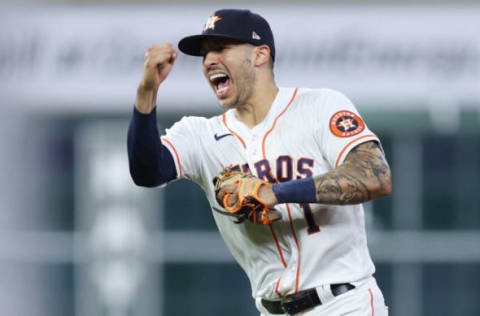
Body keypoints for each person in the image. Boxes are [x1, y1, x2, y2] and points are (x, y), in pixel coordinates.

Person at [128, 8, 392, 316]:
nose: (209, 60)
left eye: (221, 48)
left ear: (260, 55)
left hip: (344, 303)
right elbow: (146, 171)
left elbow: (375, 175)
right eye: (204, 54)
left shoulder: (319, 106)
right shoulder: (201, 135)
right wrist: (147, 91)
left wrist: (275, 192)